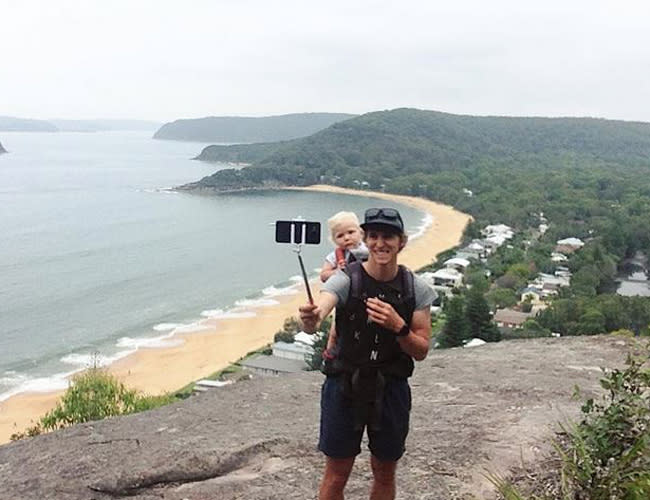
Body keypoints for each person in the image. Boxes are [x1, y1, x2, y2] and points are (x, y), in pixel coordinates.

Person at [300, 207, 436, 500]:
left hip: (391, 387)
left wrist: (398, 327)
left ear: (402, 241)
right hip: (344, 384)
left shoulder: (416, 290)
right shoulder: (348, 279)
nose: (380, 243)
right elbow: (324, 304)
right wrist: (312, 318)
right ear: (365, 239)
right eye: (373, 236)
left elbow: (422, 349)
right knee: (336, 474)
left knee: (385, 473)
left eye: (388, 236)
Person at [320, 211, 369, 283]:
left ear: (361, 232)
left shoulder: (368, 248)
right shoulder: (335, 256)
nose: (346, 238)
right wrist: (338, 271)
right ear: (334, 240)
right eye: (340, 236)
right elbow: (323, 276)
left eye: (351, 232)